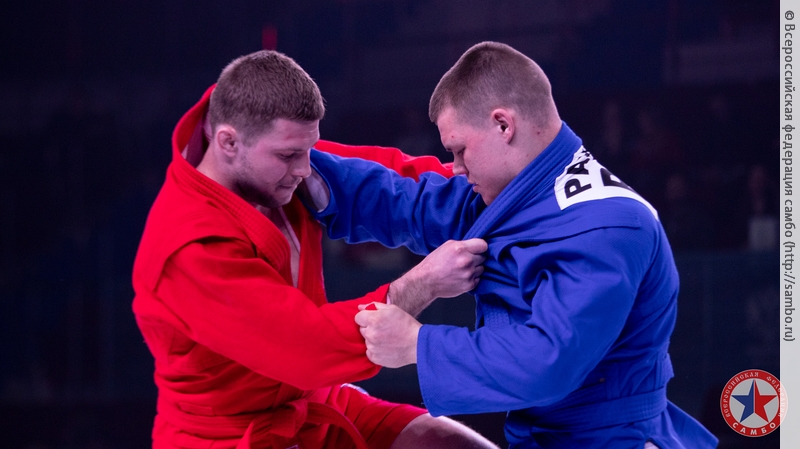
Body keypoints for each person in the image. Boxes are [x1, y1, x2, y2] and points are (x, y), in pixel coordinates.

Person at [305, 42, 719, 448]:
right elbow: (402, 198)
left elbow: (548, 362)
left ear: (503, 125)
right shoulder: (510, 193)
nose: (456, 167)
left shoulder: (609, 223)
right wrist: (294, 157)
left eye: (460, 150)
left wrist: (417, 343)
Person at [131, 50, 500, 449]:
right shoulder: (188, 247)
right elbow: (307, 351)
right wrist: (424, 283)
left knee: (451, 443)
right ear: (228, 142)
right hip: (225, 436)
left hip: (314, 404)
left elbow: (396, 183)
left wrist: (505, 183)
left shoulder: (276, 165)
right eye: (289, 156)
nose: (306, 168)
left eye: (309, 149)